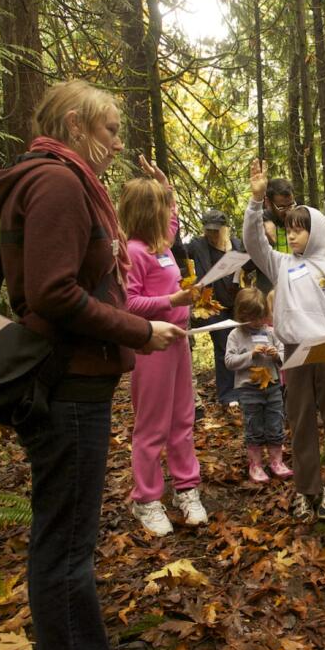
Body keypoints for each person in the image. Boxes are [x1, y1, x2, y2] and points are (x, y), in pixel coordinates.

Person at [0, 79, 184, 650]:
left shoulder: (55, 180)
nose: (117, 144)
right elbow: (52, 293)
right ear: (75, 125)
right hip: (67, 386)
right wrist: (139, 330)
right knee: (67, 543)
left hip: (76, 382)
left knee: (66, 537)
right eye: (110, 130)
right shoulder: (59, 184)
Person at [243, 159, 325, 523]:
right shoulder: (281, 264)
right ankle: (306, 488)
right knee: (302, 422)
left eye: (299, 230)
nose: (291, 236)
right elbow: (253, 243)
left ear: (317, 232)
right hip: (294, 354)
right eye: (289, 229)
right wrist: (255, 201)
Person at [122, 175, 206, 536]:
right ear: (145, 212)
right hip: (150, 347)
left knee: (182, 420)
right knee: (152, 424)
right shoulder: (133, 251)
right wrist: (171, 301)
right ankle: (147, 498)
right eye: (160, 205)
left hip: (178, 344)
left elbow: (172, 223)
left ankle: (187, 489)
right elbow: (128, 302)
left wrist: (167, 188)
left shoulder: (163, 246)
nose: (167, 214)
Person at [187, 208, 255, 409]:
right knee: (223, 346)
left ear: (225, 228)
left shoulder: (235, 245)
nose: (213, 234)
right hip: (213, 307)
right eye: (209, 230)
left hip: (236, 303)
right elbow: (178, 253)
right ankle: (227, 394)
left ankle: (244, 387)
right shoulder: (197, 246)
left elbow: (250, 265)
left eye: (217, 230)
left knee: (243, 343)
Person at [224, 287, 292, 483]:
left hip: (272, 387)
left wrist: (276, 355)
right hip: (248, 389)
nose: (256, 323)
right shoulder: (235, 335)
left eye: (259, 317)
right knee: (254, 425)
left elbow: (284, 355)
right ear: (241, 315)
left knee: (275, 422)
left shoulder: (271, 332)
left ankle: (276, 461)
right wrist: (250, 355)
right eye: (251, 318)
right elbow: (229, 361)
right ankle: (255, 464)